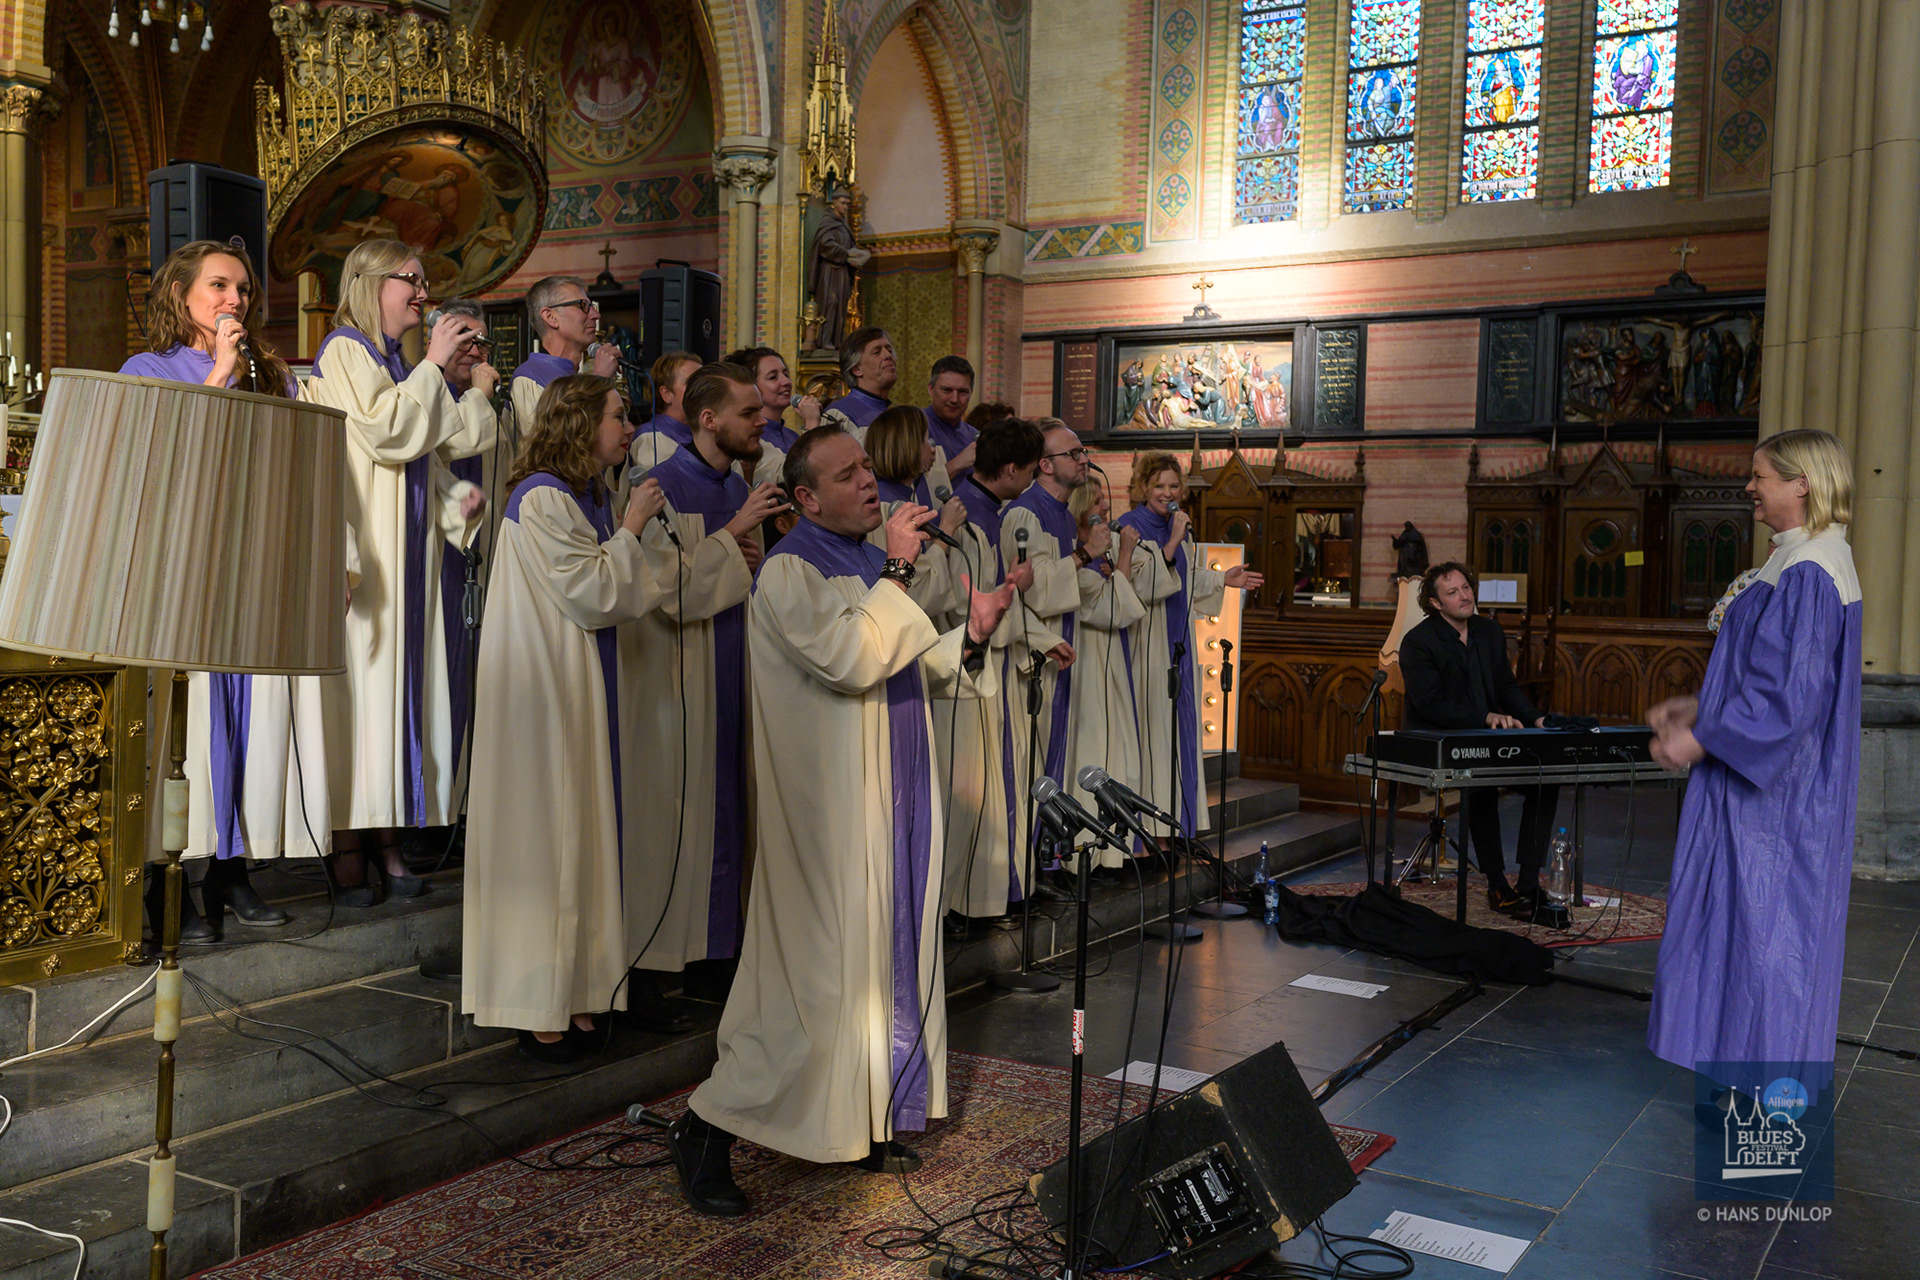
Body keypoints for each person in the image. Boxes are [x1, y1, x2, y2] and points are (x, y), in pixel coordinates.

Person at [667, 427, 1015, 1215]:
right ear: (806, 499)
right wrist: (897, 569)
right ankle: (705, 1129)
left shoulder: (864, 560)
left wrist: (972, 637)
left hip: (890, 796)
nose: (870, 483)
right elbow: (851, 658)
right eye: (848, 474)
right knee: (809, 987)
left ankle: (859, 1120)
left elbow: (910, 660)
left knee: (876, 973)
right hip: (828, 817)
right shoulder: (792, 569)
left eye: (867, 468)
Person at [1646, 429, 1860, 1110]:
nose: (1750, 487)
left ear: (1802, 483)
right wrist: (1702, 706)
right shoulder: (1798, 562)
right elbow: (1774, 674)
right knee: (1750, 939)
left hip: (1775, 797)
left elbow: (1788, 699)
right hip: (1763, 782)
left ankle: (1766, 1125)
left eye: (1761, 476)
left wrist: (1705, 739)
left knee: (1770, 944)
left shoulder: (1810, 572)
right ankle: (1748, 1098)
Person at [461, 374, 669, 1062]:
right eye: (619, 415)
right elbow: (591, 591)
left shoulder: (585, 495)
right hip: (541, 697)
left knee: (577, 837)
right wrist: (634, 526)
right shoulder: (544, 495)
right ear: (580, 424)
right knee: (545, 842)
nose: (629, 427)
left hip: (575, 688)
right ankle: (535, 1002)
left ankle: (579, 989)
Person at [121, 239, 320, 942]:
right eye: (218, 287)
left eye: (242, 290)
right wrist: (221, 373)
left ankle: (230, 874)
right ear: (180, 296)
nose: (234, 300)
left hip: (249, 564)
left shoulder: (271, 376)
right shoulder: (147, 369)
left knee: (245, 724)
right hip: (180, 569)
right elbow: (159, 459)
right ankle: (157, 882)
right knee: (182, 730)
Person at [304, 238, 494, 903]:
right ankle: (349, 841)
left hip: (408, 556)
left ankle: (386, 835)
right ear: (369, 282)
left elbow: (424, 457)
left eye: (423, 279)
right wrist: (436, 365)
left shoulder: (389, 360)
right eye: (410, 280)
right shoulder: (343, 352)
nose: (422, 292)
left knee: (396, 699)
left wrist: (451, 501)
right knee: (363, 699)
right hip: (369, 555)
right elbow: (387, 434)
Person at [622, 363, 788, 1029]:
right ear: (709, 418)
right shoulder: (662, 485)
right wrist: (732, 535)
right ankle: (665, 963)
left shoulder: (736, 481)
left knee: (730, 813)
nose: (763, 421)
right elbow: (663, 588)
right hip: (677, 678)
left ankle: (722, 951)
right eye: (749, 412)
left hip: (736, 665)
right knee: (679, 818)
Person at [1398, 561, 1559, 918]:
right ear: (1436, 603)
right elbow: (1430, 704)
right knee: (1480, 783)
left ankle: (1530, 884)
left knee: (1546, 779)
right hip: (1443, 740)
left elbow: (1505, 687)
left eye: (1466, 588)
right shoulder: (1418, 642)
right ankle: (1497, 884)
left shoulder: (1488, 632)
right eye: (1452, 592)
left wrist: (1535, 718)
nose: (1464, 596)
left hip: (1487, 736)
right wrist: (1485, 717)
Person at [1116, 453, 1263, 842]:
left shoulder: (1178, 530)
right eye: (1159, 485)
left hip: (1178, 645)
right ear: (1144, 487)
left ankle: (1171, 829)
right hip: (1147, 645)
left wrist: (1221, 581)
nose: (1167, 493)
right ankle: (1146, 833)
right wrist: (1174, 541)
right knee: (1154, 737)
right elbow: (1135, 589)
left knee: (1177, 737)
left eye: (1174, 486)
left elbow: (1181, 579)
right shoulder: (1129, 527)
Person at [938, 418, 1050, 923]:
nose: (1029, 482)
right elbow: (965, 605)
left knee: (994, 782)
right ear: (1008, 469)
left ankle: (991, 891)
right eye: (1027, 472)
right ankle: (964, 902)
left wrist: (1042, 638)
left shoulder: (990, 512)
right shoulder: (966, 518)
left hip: (992, 665)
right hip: (967, 672)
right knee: (972, 788)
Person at [1002, 421, 1100, 830]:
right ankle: (1026, 865)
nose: (1084, 460)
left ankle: (1046, 857)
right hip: (1030, 654)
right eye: (1073, 454)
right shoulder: (1025, 512)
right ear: (1044, 464)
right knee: (1031, 758)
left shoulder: (1060, 513)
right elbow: (1032, 590)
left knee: (1053, 755)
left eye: (1082, 452)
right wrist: (1084, 555)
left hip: (1058, 648)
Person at [424, 298, 501, 775]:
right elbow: (451, 448)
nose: (475, 349)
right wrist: (478, 398)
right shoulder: (425, 391)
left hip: (482, 552)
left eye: (482, 341)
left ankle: (469, 791)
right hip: (437, 553)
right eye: (464, 338)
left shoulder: (491, 397)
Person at [1065, 477, 1147, 872]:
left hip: (1111, 663)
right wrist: (1125, 554)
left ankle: (1113, 849)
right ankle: (1084, 853)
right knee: (1093, 745)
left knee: (1117, 749)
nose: (1106, 508)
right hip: (1087, 661)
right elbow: (1113, 609)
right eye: (1098, 501)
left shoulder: (1102, 552)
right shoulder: (1075, 555)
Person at [510, 276, 621, 427]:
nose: (596, 315)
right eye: (583, 306)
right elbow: (551, 445)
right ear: (551, 317)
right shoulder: (529, 378)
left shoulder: (575, 376)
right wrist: (599, 381)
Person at [724, 345, 820, 453]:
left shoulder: (792, 437)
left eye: (786, 374)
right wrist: (811, 423)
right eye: (773, 377)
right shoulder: (751, 437)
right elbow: (803, 468)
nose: (786, 382)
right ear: (751, 386)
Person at [806, 188, 868, 351]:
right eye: (843, 203)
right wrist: (846, 253)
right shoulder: (828, 222)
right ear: (834, 203)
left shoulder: (843, 224)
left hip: (842, 272)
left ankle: (837, 341)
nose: (846, 207)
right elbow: (825, 245)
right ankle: (824, 340)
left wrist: (856, 257)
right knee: (830, 304)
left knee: (841, 305)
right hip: (829, 271)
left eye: (847, 204)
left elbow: (849, 246)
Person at [628, 350, 703, 476]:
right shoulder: (649, 439)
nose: (703, 389)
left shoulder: (709, 435)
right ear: (666, 393)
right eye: (693, 383)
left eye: (705, 382)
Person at [1378, 521, 1430, 696]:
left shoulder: (1414, 537)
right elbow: (1399, 545)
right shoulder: (1407, 536)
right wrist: (1395, 540)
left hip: (1413, 559)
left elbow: (1420, 548)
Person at [822, 326, 896, 431]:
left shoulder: (893, 415)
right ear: (857, 369)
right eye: (876, 352)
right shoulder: (838, 416)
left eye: (889, 350)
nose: (888, 355)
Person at [923, 355, 978, 485]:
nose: (954, 399)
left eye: (963, 392)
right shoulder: (912, 427)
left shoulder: (975, 436)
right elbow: (909, 486)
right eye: (946, 390)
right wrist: (958, 464)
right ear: (931, 389)